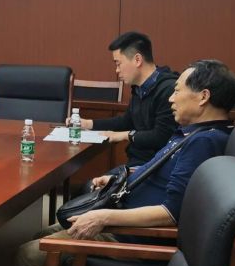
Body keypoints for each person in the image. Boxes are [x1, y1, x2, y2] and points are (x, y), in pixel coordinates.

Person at [17, 59, 235, 266]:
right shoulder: (193, 133)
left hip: (133, 235)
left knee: (28, 256)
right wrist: (125, 176)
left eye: (177, 91)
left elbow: (171, 213)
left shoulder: (204, 142)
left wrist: (103, 217)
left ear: (203, 97)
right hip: (123, 218)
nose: (171, 99)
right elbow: (164, 171)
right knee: (41, 235)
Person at [76, 31, 179, 169]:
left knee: (94, 182)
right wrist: (88, 124)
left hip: (154, 168)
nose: (117, 70)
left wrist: (124, 135)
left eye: (118, 64)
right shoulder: (139, 88)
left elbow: (161, 136)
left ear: (137, 60)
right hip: (137, 163)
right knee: (94, 182)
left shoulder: (168, 90)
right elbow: (127, 121)